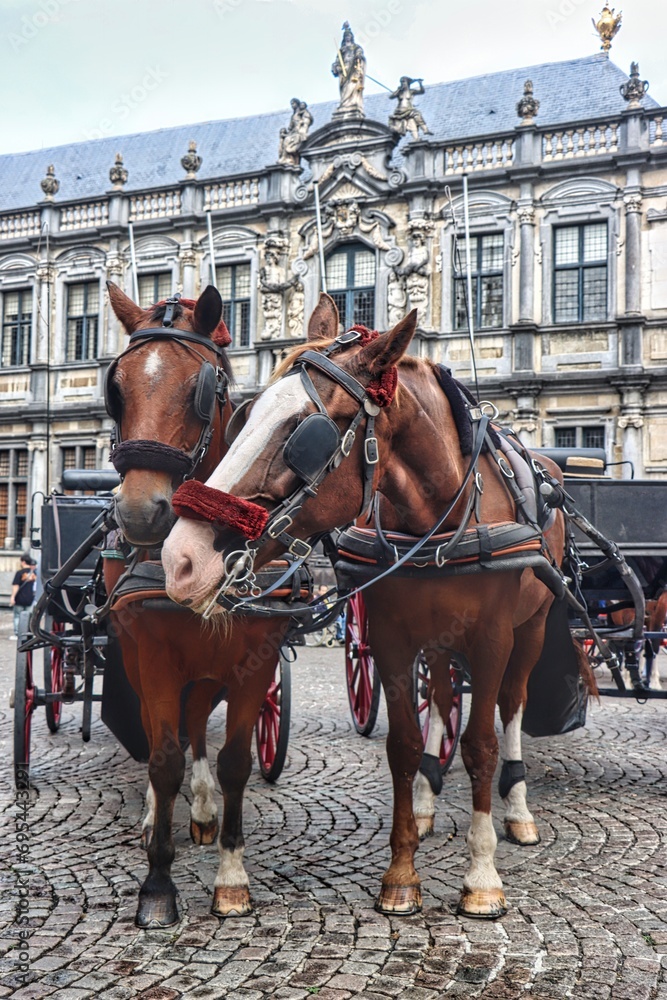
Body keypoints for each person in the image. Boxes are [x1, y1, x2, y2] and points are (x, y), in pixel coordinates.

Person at [10, 553, 36, 639]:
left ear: (23, 562)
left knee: (18, 616)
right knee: (29, 616)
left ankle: (18, 634)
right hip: (30, 598)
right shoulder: (34, 573)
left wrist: (13, 597)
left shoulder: (19, 573)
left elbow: (15, 586)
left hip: (20, 598)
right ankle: (28, 633)